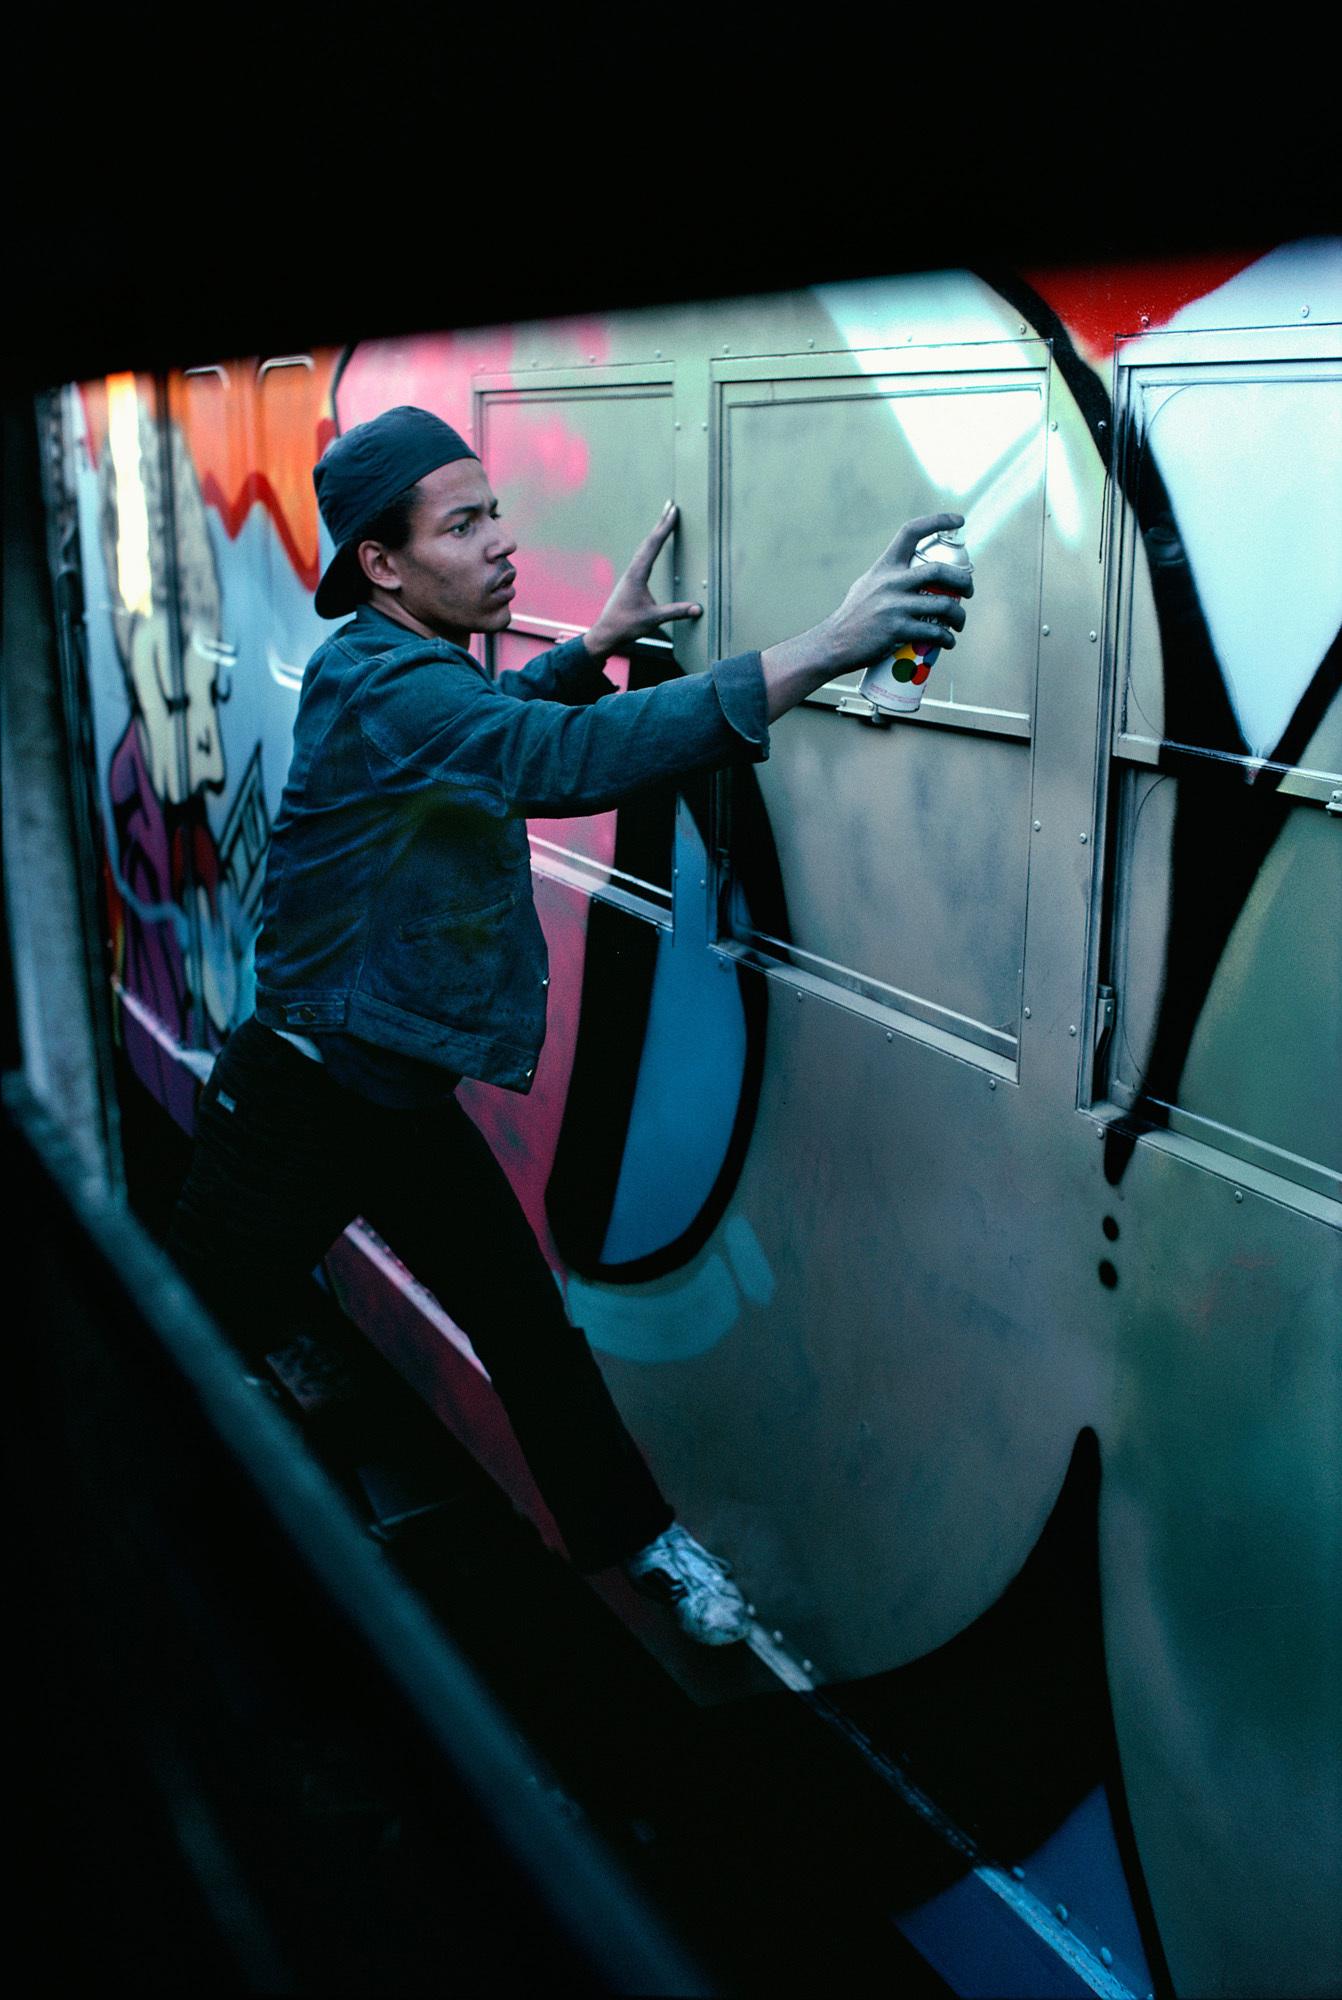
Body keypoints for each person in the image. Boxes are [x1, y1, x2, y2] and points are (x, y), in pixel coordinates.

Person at [165, 405, 971, 1646]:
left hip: (393, 1093)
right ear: (382, 563)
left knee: (528, 1332)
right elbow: (558, 759)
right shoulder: (376, 683)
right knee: (185, 1344)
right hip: (297, 1102)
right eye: (463, 524)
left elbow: (490, 732)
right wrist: (827, 645)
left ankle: (642, 1542)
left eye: (494, 511)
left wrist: (589, 644)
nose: (501, 541)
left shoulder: (412, 670)